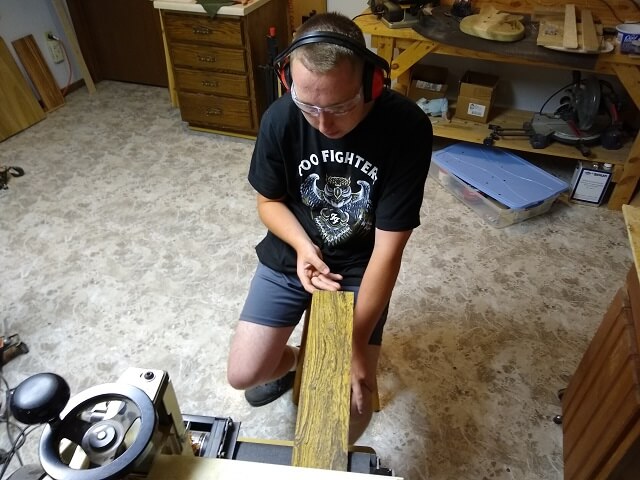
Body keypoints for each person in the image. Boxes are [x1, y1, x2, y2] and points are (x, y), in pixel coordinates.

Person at [227, 12, 433, 443]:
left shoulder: (406, 128)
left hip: (360, 263)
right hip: (293, 253)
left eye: (340, 106)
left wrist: (351, 346)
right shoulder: (282, 117)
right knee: (245, 374)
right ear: (289, 82)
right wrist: (303, 246)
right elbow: (269, 203)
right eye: (309, 106)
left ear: (372, 83)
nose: (323, 123)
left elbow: (388, 251)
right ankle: (302, 358)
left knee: (346, 414)